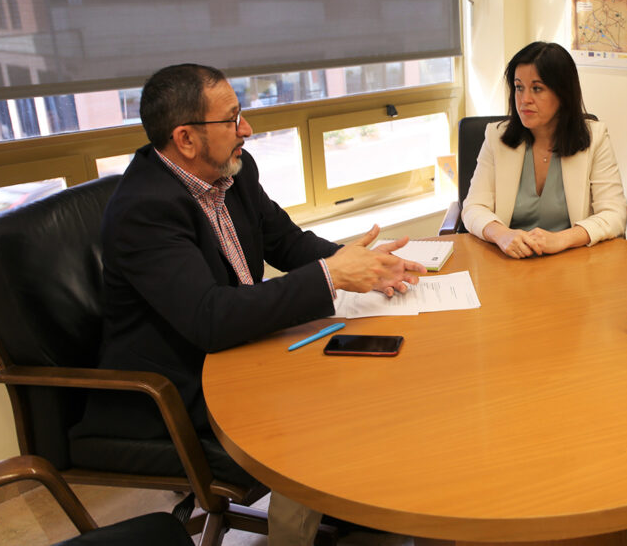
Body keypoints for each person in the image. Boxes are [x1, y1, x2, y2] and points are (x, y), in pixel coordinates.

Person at [73, 63, 426, 545]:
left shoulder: (234, 171)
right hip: (178, 385)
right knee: (319, 411)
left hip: (242, 348)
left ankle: (359, 501)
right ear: (186, 139)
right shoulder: (145, 209)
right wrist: (333, 276)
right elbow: (210, 318)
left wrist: (360, 263)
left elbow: (286, 242)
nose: (247, 129)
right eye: (232, 119)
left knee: (376, 368)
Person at [461, 41, 627, 258]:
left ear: (563, 94)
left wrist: (561, 239)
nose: (524, 100)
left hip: (572, 261)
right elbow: (473, 207)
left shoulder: (595, 138)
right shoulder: (496, 137)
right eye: (519, 87)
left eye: (537, 88)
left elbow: (615, 213)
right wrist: (502, 235)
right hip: (510, 261)